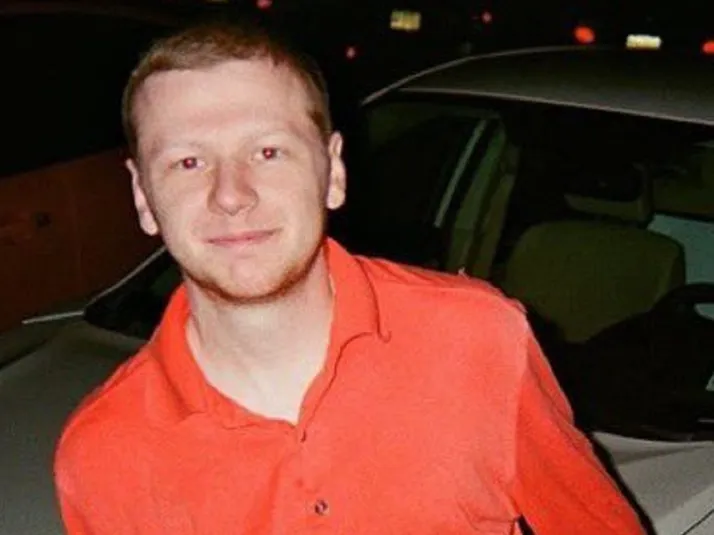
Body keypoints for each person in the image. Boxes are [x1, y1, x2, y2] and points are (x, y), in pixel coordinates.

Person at [54, 21, 646, 534]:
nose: (231, 195)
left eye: (267, 152)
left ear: (333, 171)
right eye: (189, 162)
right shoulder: (103, 453)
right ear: (143, 195)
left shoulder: (478, 339)